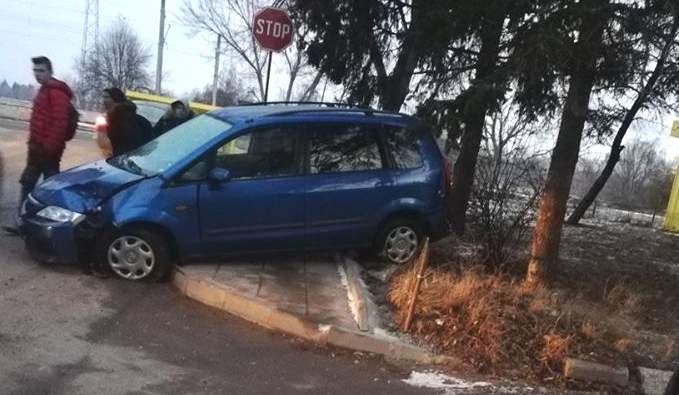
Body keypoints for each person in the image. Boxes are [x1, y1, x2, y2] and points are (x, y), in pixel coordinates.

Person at [20, 56, 74, 204]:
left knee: (51, 188)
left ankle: (50, 219)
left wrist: (48, 148)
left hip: (47, 152)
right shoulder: (44, 90)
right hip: (37, 149)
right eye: (35, 70)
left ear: (50, 72)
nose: (38, 74)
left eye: (42, 70)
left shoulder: (56, 93)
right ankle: (23, 220)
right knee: (28, 184)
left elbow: (60, 124)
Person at [103, 88, 153, 156]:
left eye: (107, 97)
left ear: (116, 98)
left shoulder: (124, 118)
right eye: (103, 97)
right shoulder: (115, 117)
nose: (104, 100)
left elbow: (129, 144)